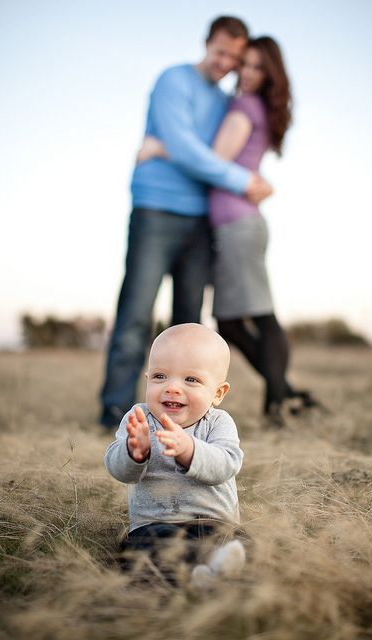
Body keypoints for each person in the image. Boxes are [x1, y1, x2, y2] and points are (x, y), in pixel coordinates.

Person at [100, 16, 273, 429]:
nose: (226, 63)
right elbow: (190, 148)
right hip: (156, 208)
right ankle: (114, 411)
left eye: (235, 57)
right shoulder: (173, 80)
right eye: (221, 52)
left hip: (201, 217)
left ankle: (185, 419)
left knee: (189, 322)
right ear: (207, 43)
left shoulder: (225, 101)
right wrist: (239, 179)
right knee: (137, 312)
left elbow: (201, 150)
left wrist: (163, 148)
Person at [138, 37, 316, 428]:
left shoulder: (244, 105)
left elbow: (212, 161)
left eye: (258, 67)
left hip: (239, 225)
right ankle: (284, 392)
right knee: (232, 321)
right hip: (235, 224)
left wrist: (161, 147)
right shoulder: (256, 107)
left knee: (261, 316)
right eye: (245, 65)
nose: (248, 73)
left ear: (271, 73)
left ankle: (278, 402)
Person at [104, 323, 246, 587]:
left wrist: (189, 451)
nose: (172, 388)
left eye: (191, 380)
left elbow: (227, 463)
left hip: (213, 522)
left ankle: (214, 568)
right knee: (145, 549)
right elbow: (116, 468)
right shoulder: (139, 419)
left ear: (218, 393)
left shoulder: (217, 423)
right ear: (147, 379)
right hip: (155, 524)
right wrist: (134, 453)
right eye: (160, 376)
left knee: (243, 544)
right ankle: (198, 575)